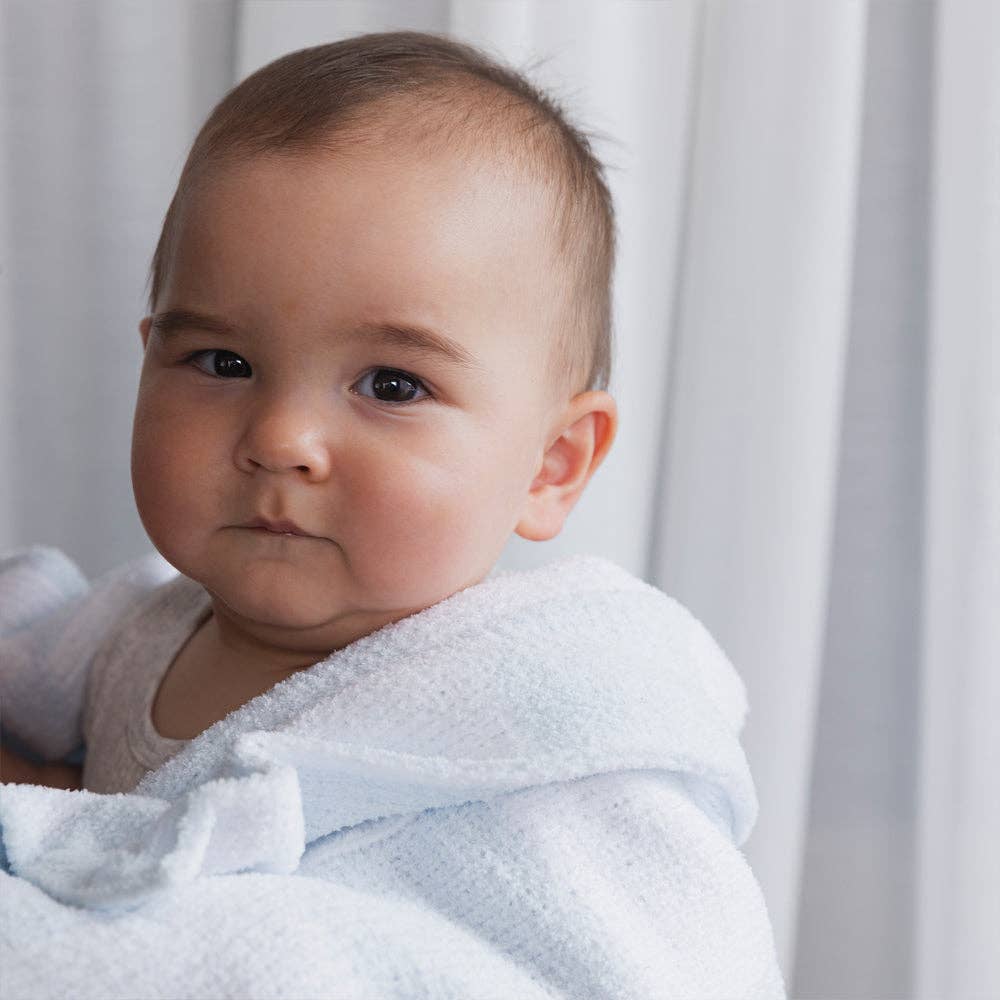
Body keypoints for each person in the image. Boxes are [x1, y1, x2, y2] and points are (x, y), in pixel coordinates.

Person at [0, 31, 786, 999]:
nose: (282, 436)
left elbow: (663, 961)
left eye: (391, 383)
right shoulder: (130, 636)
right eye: (221, 363)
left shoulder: (543, 744)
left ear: (550, 463)